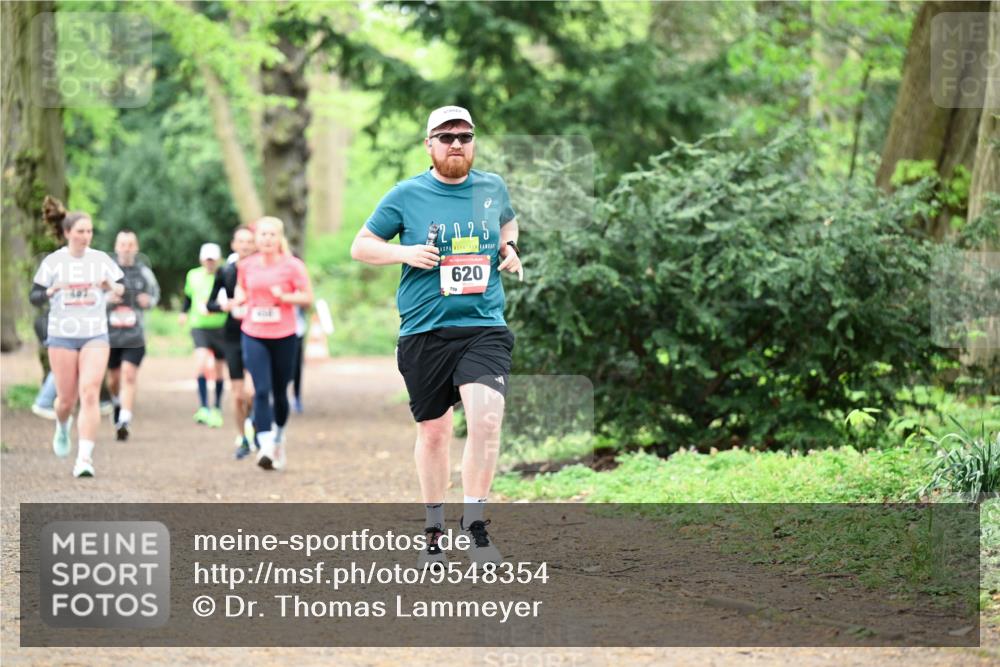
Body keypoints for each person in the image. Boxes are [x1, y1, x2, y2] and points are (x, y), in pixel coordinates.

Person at [350, 106, 522, 566]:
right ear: (429, 145)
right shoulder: (407, 194)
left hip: (483, 324)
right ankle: (432, 527)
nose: (455, 144)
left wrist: (509, 247)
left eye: (464, 136)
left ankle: (476, 525)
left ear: (473, 142)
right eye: (445, 137)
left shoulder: (491, 187)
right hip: (425, 329)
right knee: (434, 432)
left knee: (486, 420)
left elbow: (507, 221)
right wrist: (405, 252)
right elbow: (361, 245)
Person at [31, 196, 125, 478]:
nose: (86, 236)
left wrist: (110, 286)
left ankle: (84, 458)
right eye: (81, 231)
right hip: (62, 335)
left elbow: (121, 292)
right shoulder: (53, 262)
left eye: (90, 231)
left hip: (95, 334)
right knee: (66, 400)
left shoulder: (101, 260)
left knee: (90, 392)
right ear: (67, 232)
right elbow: (34, 296)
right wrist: (52, 290)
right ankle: (62, 427)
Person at [234, 217, 313, 471]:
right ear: (255, 239)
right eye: (262, 235)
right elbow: (242, 291)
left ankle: (278, 436)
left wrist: (285, 296)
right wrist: (238, 300)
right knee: (260, 389)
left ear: (279, 239)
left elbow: (307, 298)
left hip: (284, 334)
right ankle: (265, 445)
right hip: (253, 332)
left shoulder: (293, 266)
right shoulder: (246, 265)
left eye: (271, 235)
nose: (267, 239)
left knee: (280, 392)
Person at [207, 226, 257, 459]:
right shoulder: (226, 271)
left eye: (249, 242)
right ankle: (243, 438)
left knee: (253, 392)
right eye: (241, 242)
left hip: (258, 334)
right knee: (238, 395)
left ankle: (258, 428)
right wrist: (224, 305)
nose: (245, 246)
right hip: (233, 335)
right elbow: (210, 304)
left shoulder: (262, 269)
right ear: (233, 245)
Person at [105, 230, 160, 441]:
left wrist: (149, 301)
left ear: (136, 248)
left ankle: (125, 420)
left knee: (129, 375)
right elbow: (95, 297)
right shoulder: (107, 272)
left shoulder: (144, 272)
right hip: (110, 336)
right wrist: (108, 298)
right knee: (113, 379)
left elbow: (155, 295)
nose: (126, 248)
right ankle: (117, 403)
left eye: (130, 244)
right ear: (116, 246)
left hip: (134, 335)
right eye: (123, 244)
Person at [180, 243, 227, 428]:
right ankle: (203, 407)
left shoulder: (224, 275)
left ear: (218, 260)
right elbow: (188, 297)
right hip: (199, 325)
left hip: (220, 326)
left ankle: (216, 407)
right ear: (202, 260)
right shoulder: (193, 275)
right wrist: (183, 313)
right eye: (207, 260)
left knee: (218, 369)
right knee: (200, 364)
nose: (210, 263)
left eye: (213, 260)